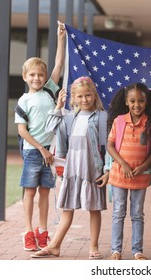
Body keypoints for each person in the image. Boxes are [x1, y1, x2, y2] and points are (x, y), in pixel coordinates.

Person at [31, 76, 108, 259]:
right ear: (73, 98)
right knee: (67, 208)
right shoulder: (69, 118)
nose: (84, 100)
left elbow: (107, 146)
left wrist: (106, 170)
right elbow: (49, 128)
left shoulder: (102, 117)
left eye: (88, 95)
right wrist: (58, 106)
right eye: (80, 97)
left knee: (94, 208)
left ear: (94, 95)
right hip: (72, 169)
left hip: (92, 169)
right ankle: (55, 246)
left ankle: (93, 247)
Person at [14, 21, 66, 251]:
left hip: (49, 152)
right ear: (25, 76)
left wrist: (61, 39)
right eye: (32, 75)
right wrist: (42, 149)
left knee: (45, 192)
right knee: (30, 192)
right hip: (34, 152)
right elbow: (22, 131)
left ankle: (43, 231)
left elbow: (59, 63)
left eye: (40, 74)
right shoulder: (23, 101)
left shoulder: (48, 91)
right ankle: (28, 230)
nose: (37, 78)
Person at [106, 83, 151, 260]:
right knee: (118, 212)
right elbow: (110, 145)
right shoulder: (119, 121)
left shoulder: (150, 123)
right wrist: (122, 163)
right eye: (132, 101)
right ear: (126, 101)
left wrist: (145, 166)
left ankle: (137, 250)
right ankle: (116, 250)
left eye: (141, 101)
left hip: (140, 176)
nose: (136, 104)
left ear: (146, 102)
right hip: (119, 175)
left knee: (137, 214)